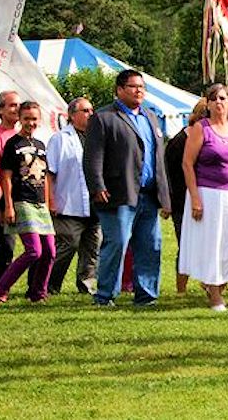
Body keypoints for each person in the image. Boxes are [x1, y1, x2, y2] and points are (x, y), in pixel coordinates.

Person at [83, 69, 171, 307]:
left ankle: (146, 296)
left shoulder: (151, 117)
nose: (139, 90)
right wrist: (97, 185)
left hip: (149, 194)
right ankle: (104, 296)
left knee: (150, 245)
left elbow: (158, 158)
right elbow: (92, 157)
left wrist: (165, 194)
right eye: (133, 86)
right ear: (119, 90)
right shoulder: (103, 117)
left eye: (142, 86)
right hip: (118, 193)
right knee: (118, 242)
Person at [179, 84, 228, 311]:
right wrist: (195, 198)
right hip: (209, 193)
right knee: (212, 244)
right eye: (213, 99)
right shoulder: (200, 128)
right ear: (208, 103)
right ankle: (215, 294)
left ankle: (217, 283)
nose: (218, 102)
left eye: (223, 98)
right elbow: (187, 163)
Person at [0, 102, 54, 303]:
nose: (30, 123)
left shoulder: (41, 146)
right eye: (26, 118)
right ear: (19, 118)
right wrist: (8, 205)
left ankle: (38, 293)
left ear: (39, 120)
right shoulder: (13, 144)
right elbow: (5, 177)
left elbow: (44, 176)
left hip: (39, 204)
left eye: (34, 119)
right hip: (21, 202)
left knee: (50, 251)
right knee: (34, 250)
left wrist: (47, 201)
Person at [46, 97, 100, 296]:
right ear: (72, 115)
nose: (90, 114)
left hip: (94, 204)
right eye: (85, 110)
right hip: (69, 203)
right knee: (68, 244)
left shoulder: (97, 138)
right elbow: (49, 173)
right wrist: (50, 200)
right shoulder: (60, 138)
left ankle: (86, 284)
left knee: (92, 247)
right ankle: (50, 284)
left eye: (91, 110)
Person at [164, 100, 207, 294]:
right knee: (186, 245)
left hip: (207, 197)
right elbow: (170, 173)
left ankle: (210, 283)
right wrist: (168, 202)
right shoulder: (179, 141)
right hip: (182, 201)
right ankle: (181, 288)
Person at [0, 90, 21, 289]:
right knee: (7, 246)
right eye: (12, 105)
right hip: (2, 204)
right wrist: (3, 205)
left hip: (22, 201)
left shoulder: (20, 136)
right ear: (0, 110)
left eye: (18, 105)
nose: (16, 109)